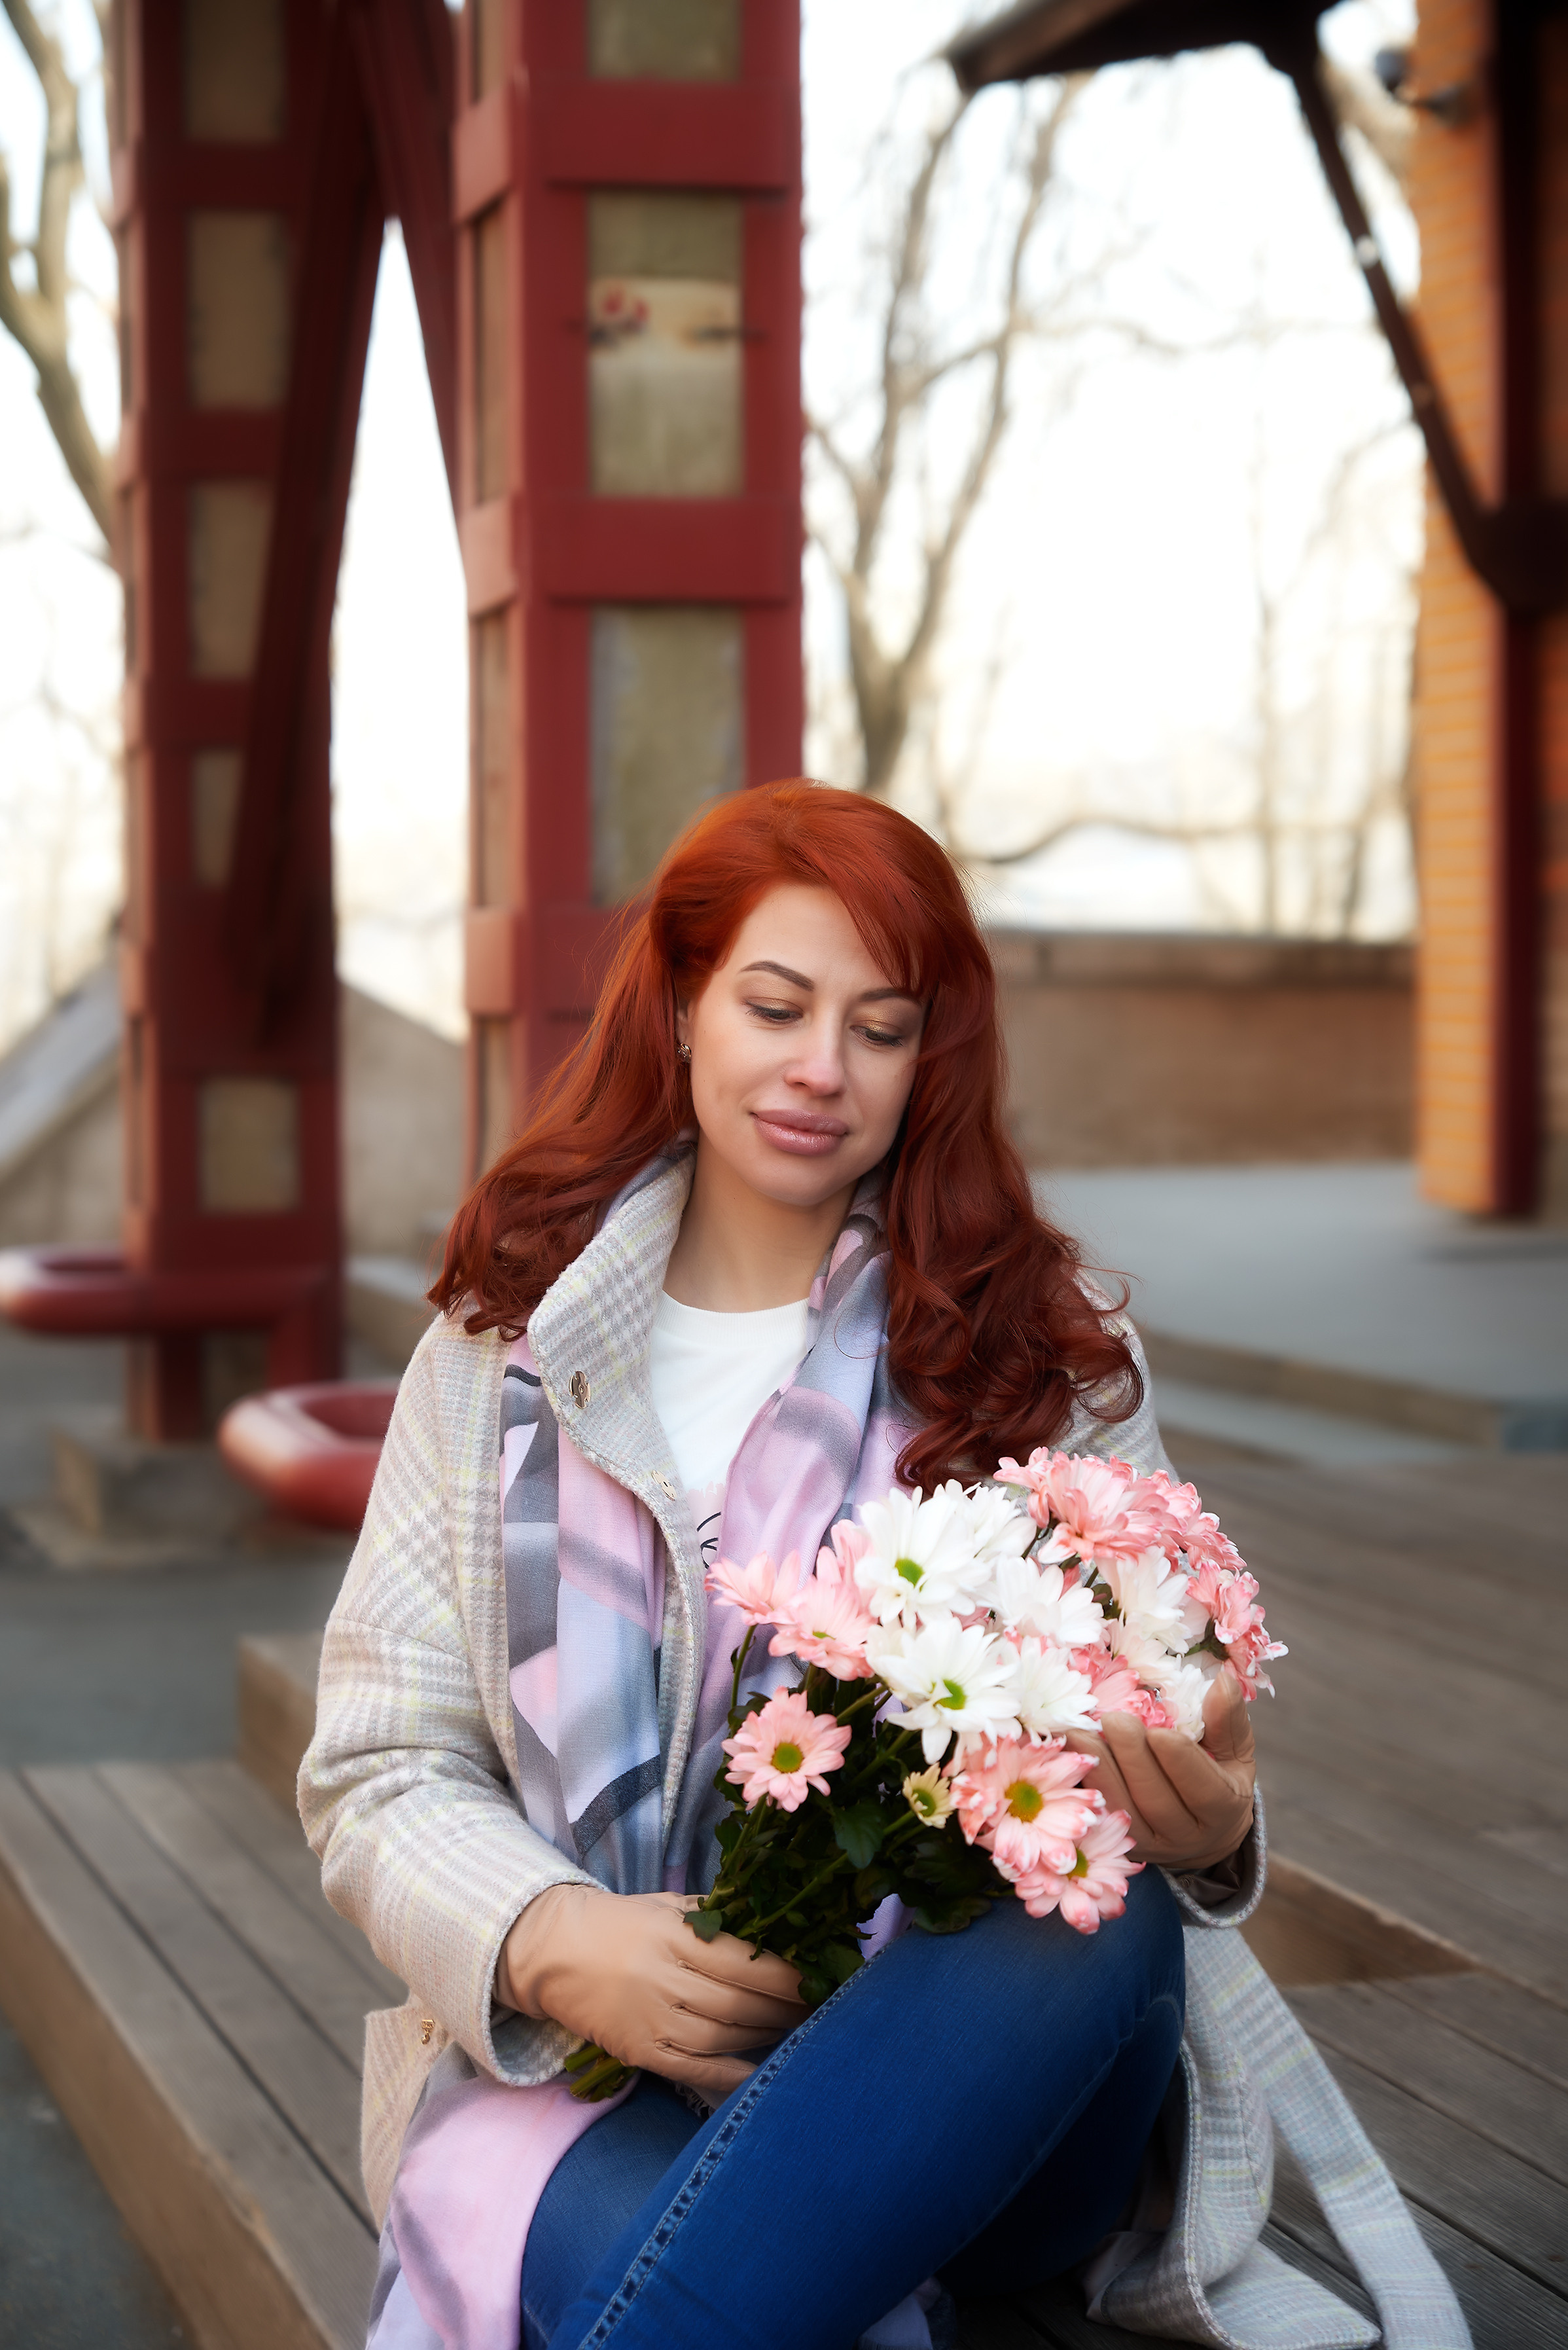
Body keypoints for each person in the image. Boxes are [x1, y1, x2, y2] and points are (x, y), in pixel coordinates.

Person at [300, 783, 1465, 2350]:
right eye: (774, 1004)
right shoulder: (501, 1344)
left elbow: (1165, 1677)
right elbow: (379, 1759)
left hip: (988, 2091)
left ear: (933, 1058)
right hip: (591, 2085)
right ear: (682, 1004)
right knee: (668, 2273)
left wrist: (1211, 1810)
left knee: (1085, 1906)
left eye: (880, 1026)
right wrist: (552, 1939)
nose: (817, 1069)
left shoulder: (1035, 1348)